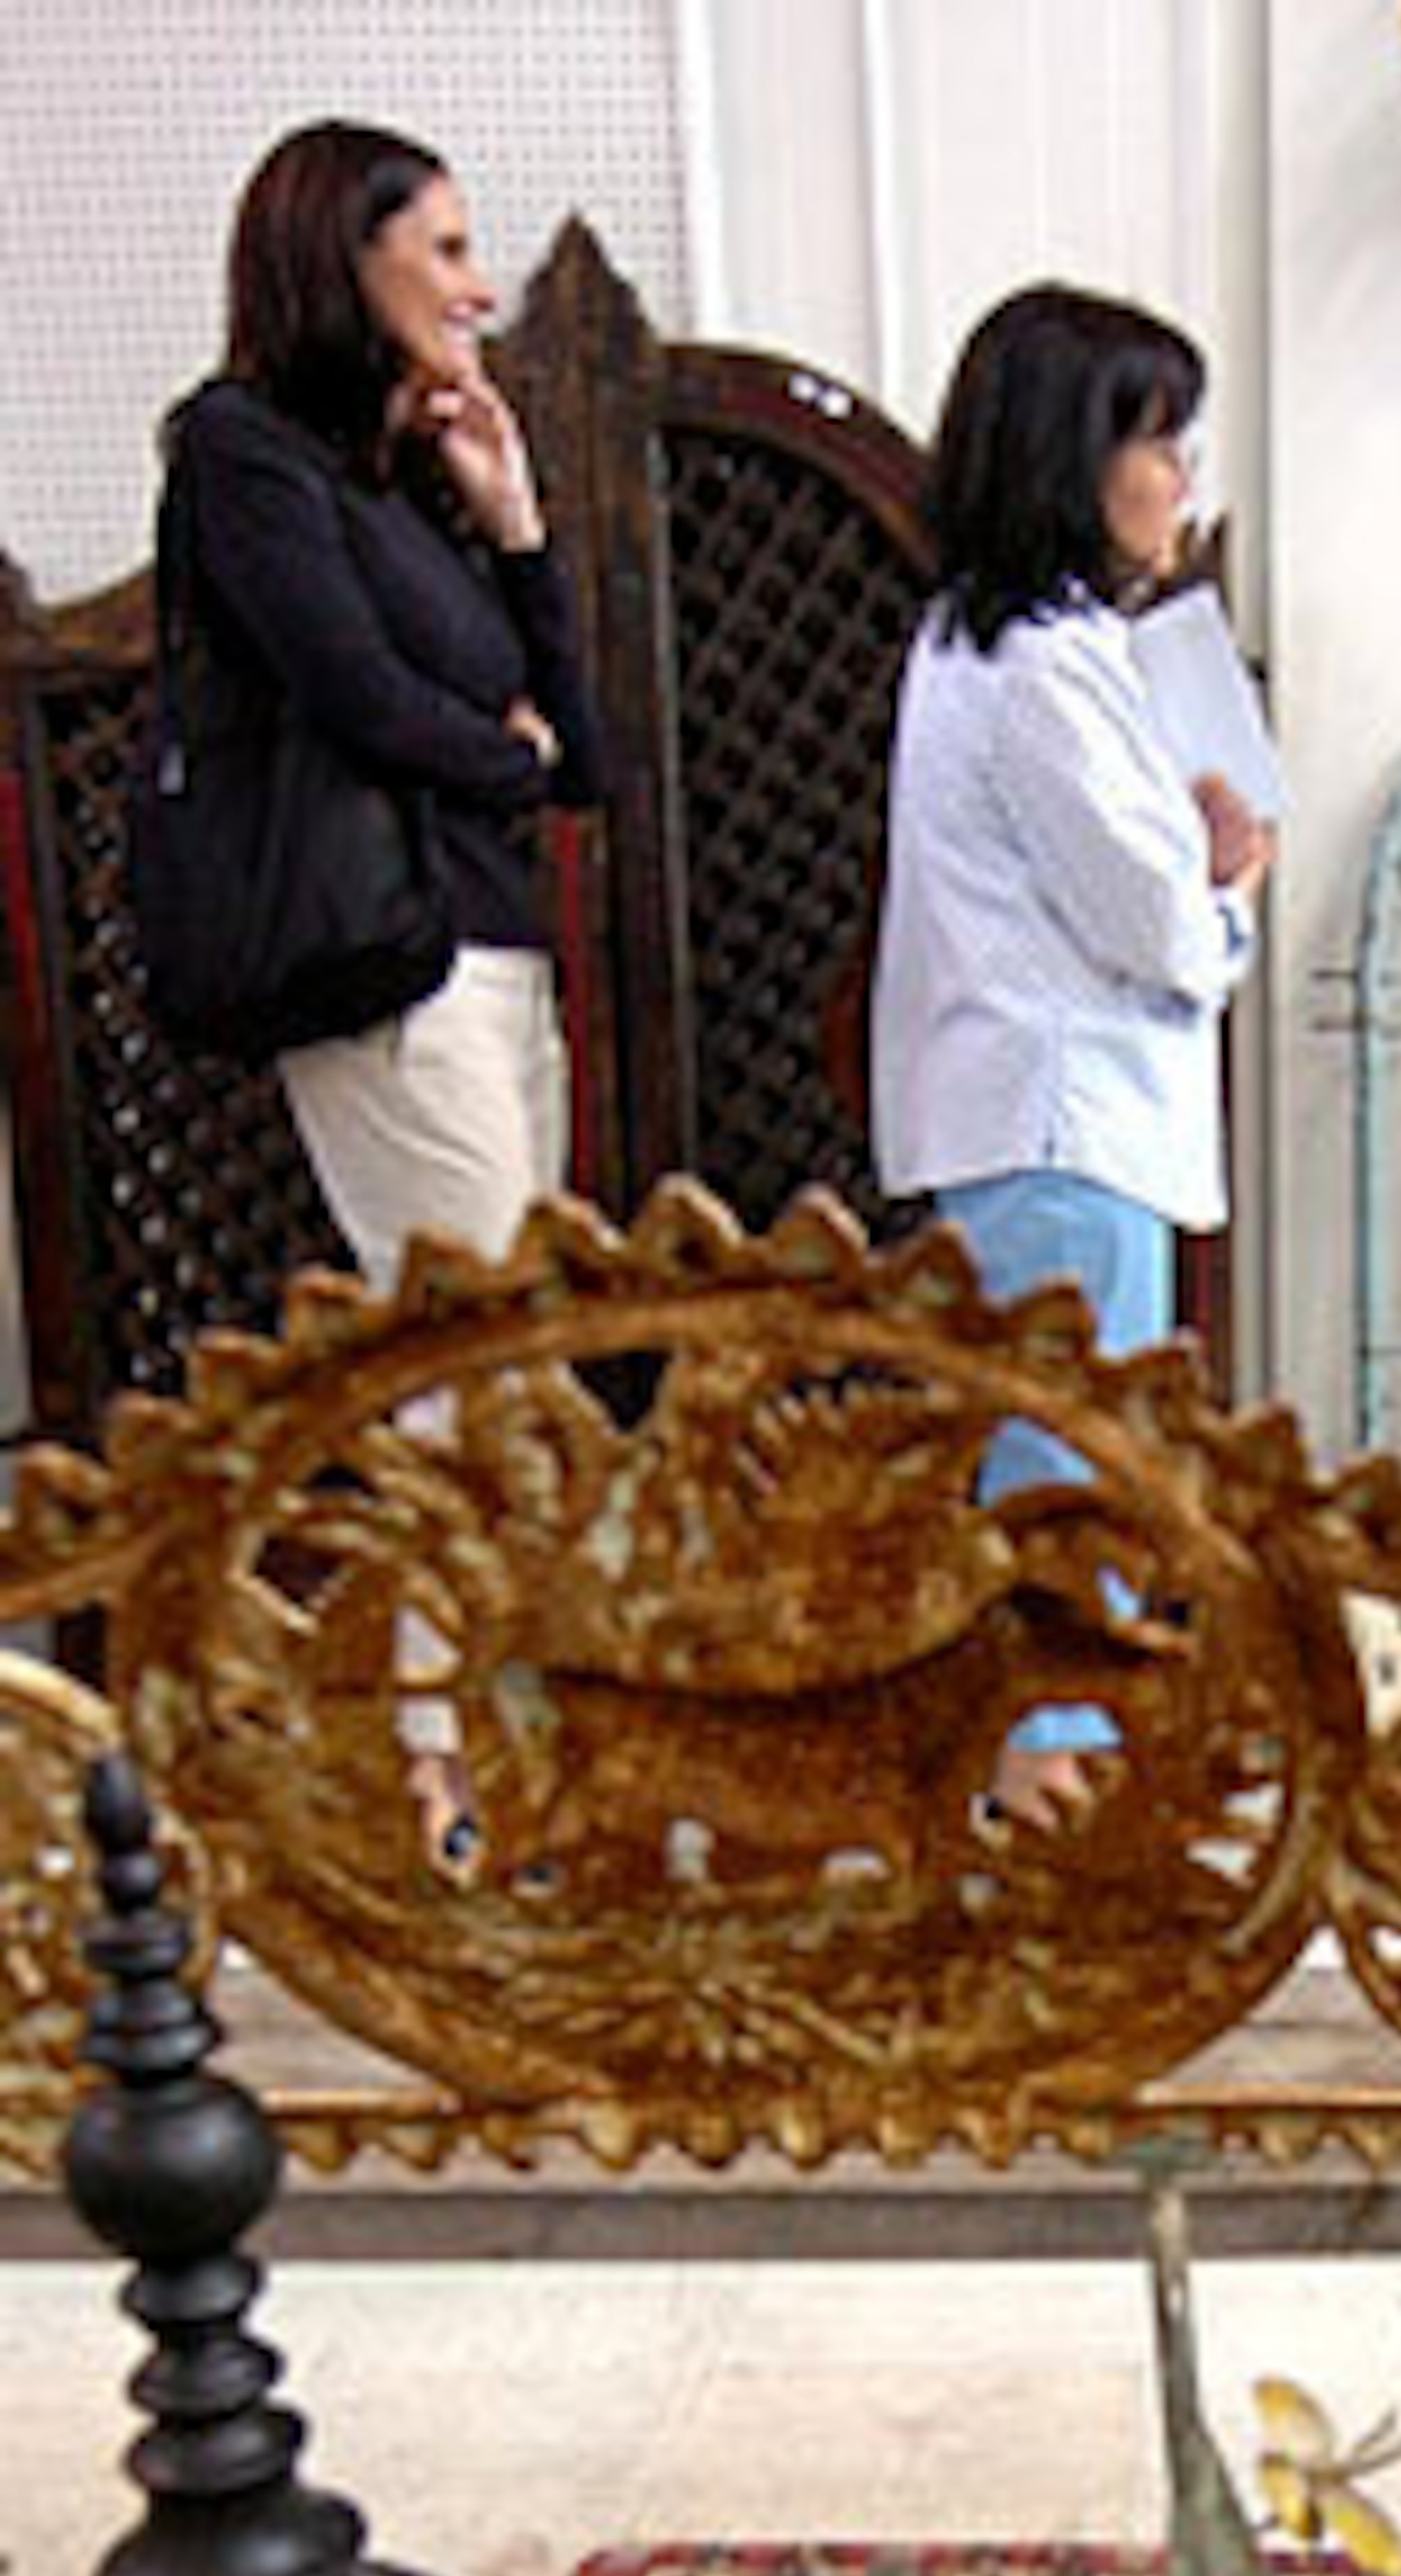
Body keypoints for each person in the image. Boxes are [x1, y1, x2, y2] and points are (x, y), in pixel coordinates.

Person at [159, 120, 608, 1872]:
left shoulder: (403, 477)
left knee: (511, 1366)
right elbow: (352, 696)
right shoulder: (239, 451)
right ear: (340, 259)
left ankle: (490, 1733)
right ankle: (443, 1771)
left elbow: (572, 752)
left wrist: (514, 527)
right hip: (387, 973)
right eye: (443, 249)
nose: (477, 287)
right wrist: (494, 749)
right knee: (469, 1375)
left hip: (494, 962)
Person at [870, 281, 1273, 1830]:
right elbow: (1158, 935)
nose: (1178, 476)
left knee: (1051, 1456)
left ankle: (1052, 1762)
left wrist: (1184, 860)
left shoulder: (983, 644)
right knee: (1062, 1471)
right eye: (1158, 439)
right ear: (1073, 456)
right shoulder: (1042, 662)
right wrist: (1225, 878)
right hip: (1066, 1124)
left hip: (1034, 1124)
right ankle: (1048, 1785)